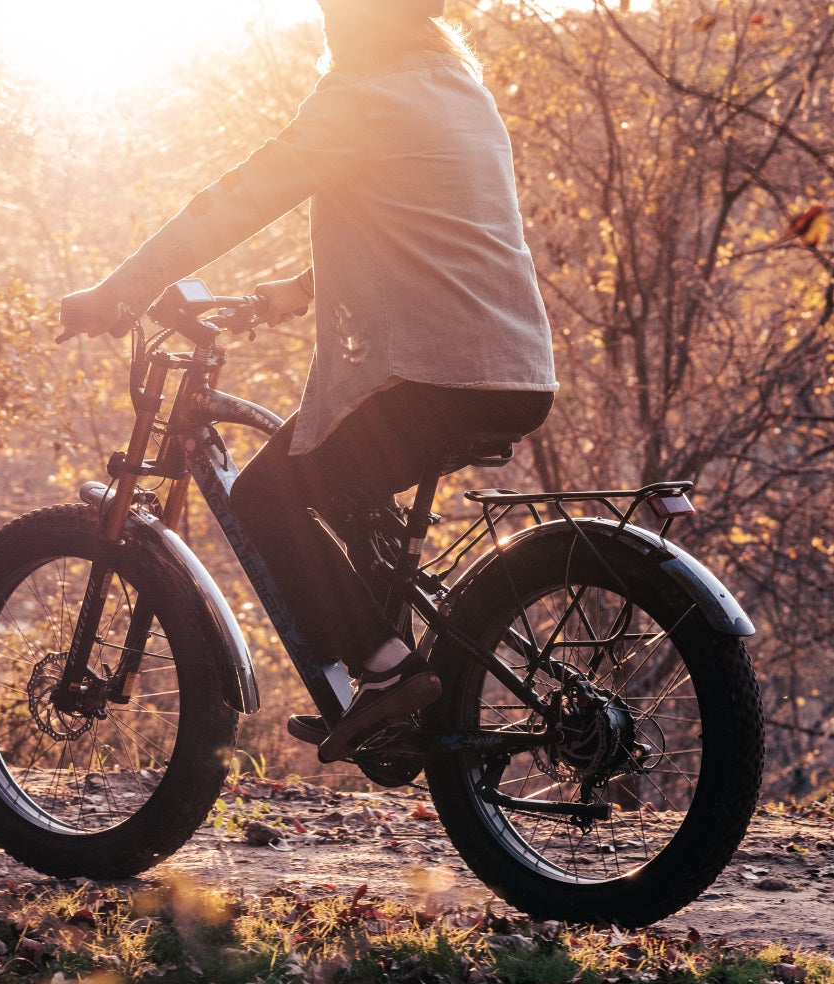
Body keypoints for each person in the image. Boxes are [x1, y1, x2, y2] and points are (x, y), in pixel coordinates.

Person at [58, 0, 557, 763]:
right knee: (335, 479)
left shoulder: (360, 98)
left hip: (428, 374)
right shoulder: (460, 90)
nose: (328, 22)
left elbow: (233, 201)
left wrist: (120, 291)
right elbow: (425, 232)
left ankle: (386, 673)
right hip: (514, 372)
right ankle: (395, 686)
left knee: (266, 494)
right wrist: (282, 296)